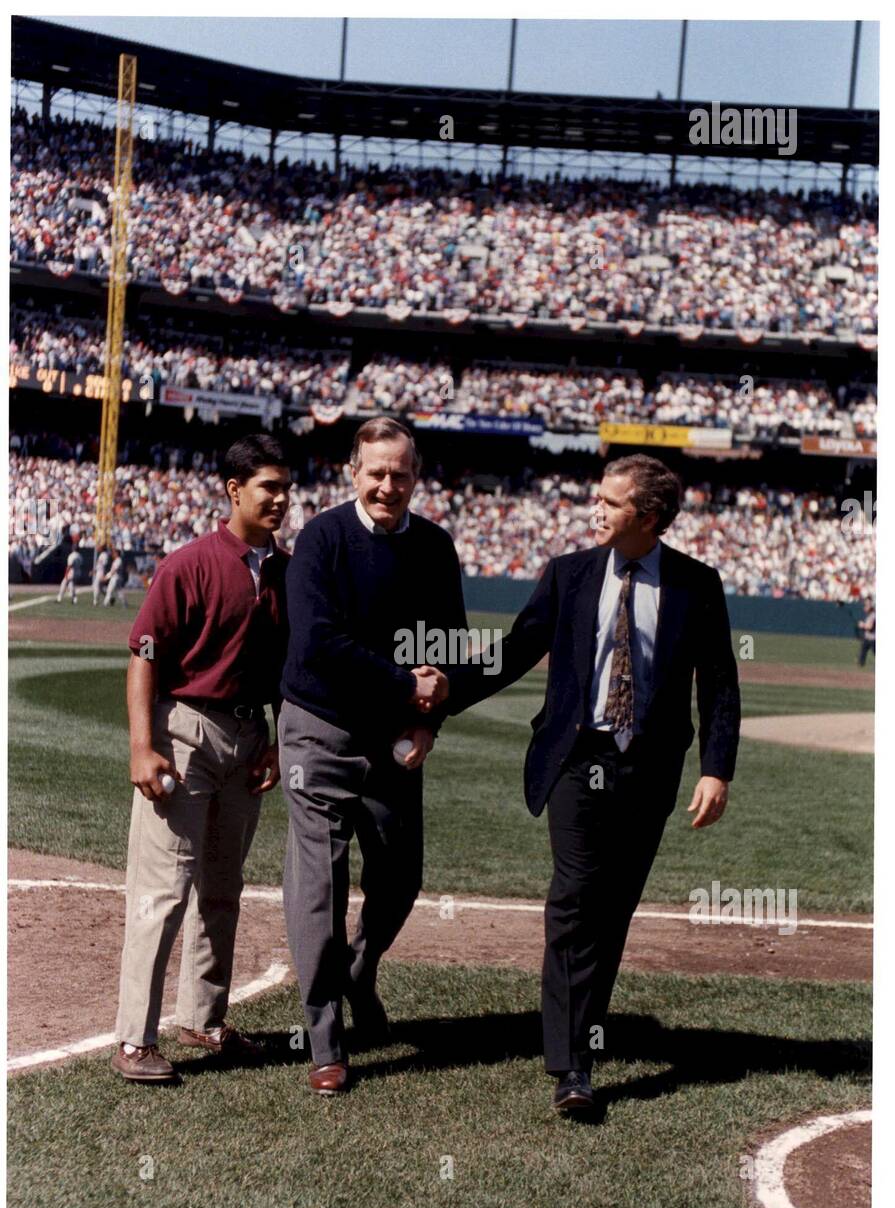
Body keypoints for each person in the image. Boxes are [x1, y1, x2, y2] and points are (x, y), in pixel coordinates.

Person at [439, 454, 741, 1116]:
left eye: (609, 501)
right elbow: (515, 650)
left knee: (611, 911)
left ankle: (582, 1033)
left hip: (649, 769)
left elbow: (718, 682)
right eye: (596, 498)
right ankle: (572, 1063)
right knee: (573, 898)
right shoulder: (569, 574)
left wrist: (716, 768)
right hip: (576, 761)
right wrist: (441, 694)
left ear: (649, 518)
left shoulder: (696, 584)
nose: (594, 510)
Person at [278, 416, 459, 1096]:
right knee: (317, 890)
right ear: (352, 472)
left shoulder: (434, 547)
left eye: (400, 474)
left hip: (393, 743)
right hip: (318, 730)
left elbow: (449, 642)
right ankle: (326, 1041)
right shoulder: (321, 538)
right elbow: (320, 641)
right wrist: (403, 684)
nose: (388, 485)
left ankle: (360, 967)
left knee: (400, 880)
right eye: (376, 472)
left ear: (415, 477)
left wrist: (431, 719)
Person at [112, 434, 291, 1082]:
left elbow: (282, 672)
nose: (280, 498)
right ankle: (135, 1038)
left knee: (222, 890)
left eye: (284, 486)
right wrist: (142, 746)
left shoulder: (287, 571)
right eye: (268, 486)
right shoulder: (188, 564)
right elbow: (144, 656)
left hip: (246, 741)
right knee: (164, 891)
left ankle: (204, 1019)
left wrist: (272, 739)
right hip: (184, 734)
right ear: (233, 490)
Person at [856, 599, 875, 666]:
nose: (864, 607)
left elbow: (870, 627)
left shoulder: (873, 615)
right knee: (863, 651)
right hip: (867, 638)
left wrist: (862, 625)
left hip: (873, 639)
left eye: (866, 606)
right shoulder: (869, 615)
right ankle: (861, 664)